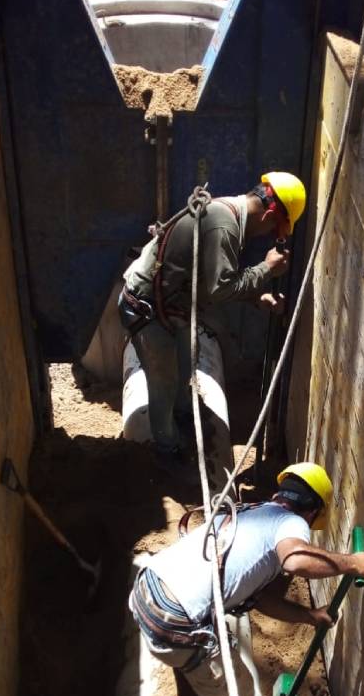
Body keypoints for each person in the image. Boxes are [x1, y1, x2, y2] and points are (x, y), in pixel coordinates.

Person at [128, 462, 364, 696]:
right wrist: (353, 563)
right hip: (174, 621)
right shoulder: (291, 523)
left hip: (146, 588)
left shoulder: (252, 511)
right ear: (312, 512)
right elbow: (296, 561)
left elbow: (263, 600)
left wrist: (311, 616)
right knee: (239, 693)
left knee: (222, 647)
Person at [118, 172, 307, 487]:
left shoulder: (227, 214)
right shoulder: (225, 226)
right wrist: (266, 269)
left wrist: (256, 295)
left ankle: (181, 424)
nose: (269, 234)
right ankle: (166, 451)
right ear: (272, 214)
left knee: (182, 370)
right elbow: (220, 290)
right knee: (163, 381)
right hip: (146, 309)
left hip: (169, 309)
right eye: (274, 227)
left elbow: (210, 283)